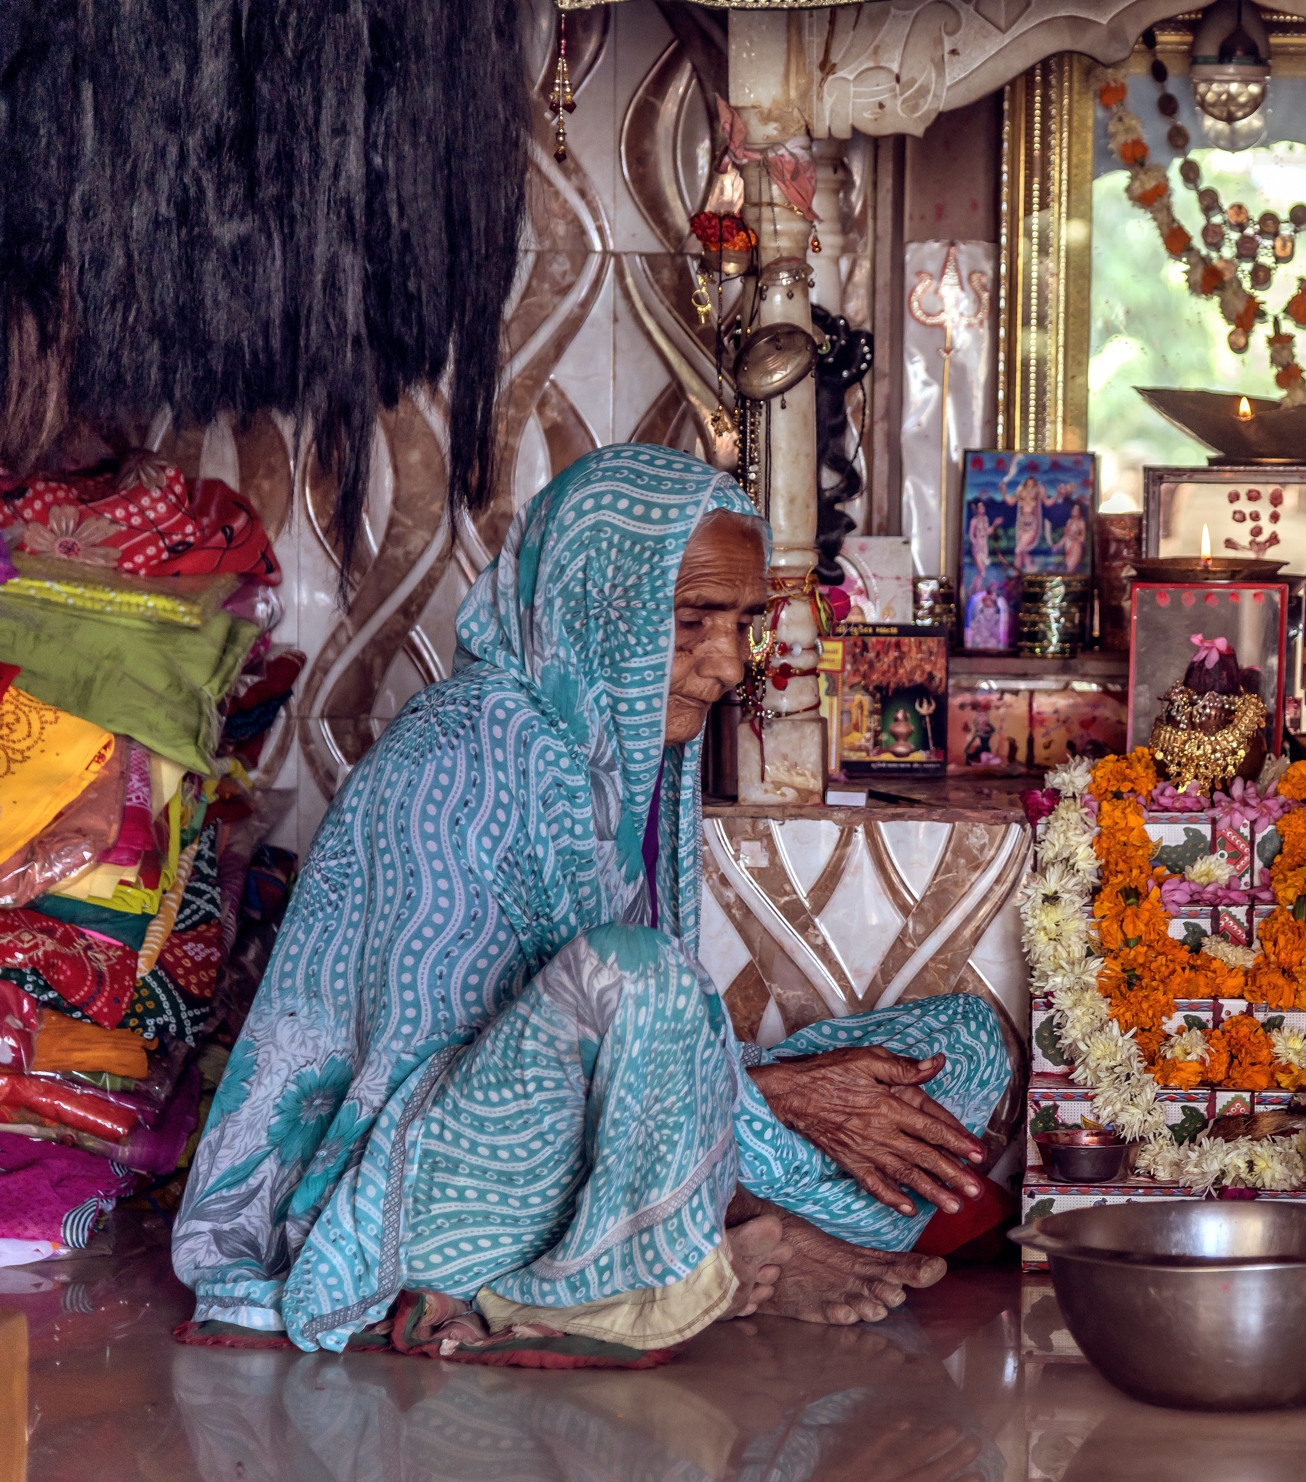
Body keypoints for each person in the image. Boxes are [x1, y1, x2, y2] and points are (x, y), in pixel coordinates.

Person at [171, 445, 1011, 1363]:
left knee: (962, 1045)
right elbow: (437, 1089)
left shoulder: (620, 750)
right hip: (425, 1198)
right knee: (640, 972)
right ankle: (640, 1276)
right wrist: (766, 1096)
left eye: (744, 622)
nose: (730, 663)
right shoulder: (456, 758)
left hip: (586, 1138)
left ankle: (707, 1238)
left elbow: (622, 1056)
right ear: (599, 600)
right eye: (693, 620)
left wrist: (739, 1099)